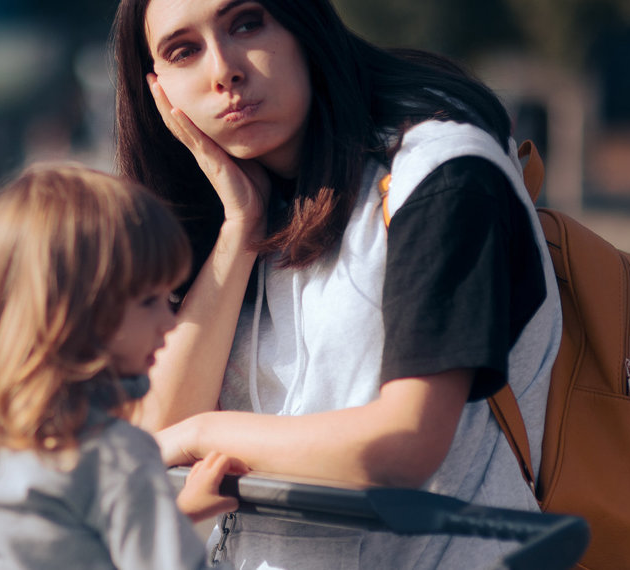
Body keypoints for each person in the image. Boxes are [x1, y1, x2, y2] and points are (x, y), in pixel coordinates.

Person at [111, 0, 563, 568]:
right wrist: (241, 228)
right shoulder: (242, 208)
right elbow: (161, 430)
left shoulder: (442, 173)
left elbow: (406, 444)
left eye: (246, 23)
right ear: (159, 91)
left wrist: (208, 434)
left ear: (304, 23)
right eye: (185, 50)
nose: (223, 69)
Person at [0, 163, 244, 569]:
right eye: (150, 301)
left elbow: (46, 543)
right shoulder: (116, 456)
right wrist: (156, 514)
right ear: (76, 315)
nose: (169, 322)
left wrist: (173, 512)